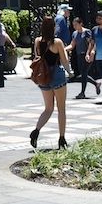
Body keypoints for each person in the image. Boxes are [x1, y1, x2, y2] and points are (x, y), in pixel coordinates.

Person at [29, 16, 71, 150]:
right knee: (61, 109)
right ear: (54, 27)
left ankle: (36, 131)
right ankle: (62, 138)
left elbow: (37, 56)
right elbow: (64, 60)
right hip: (57, 76)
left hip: (43, 77)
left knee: (48, 108)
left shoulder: (37, 41)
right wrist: (69, 72)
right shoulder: (57, 42)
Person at [67, 17, 101, 99]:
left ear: (81, 23)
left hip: (87, 55)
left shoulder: (87, 32)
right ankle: (96, 83)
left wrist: (89, 53)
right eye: (73, 25)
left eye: (76, 24)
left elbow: (91, 43)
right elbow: (72, 45)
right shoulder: (75, 33)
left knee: (84, 73)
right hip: (79, 55)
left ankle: (82, 92)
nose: (74, 26)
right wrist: (63, 49)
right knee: (83, 74)